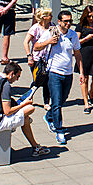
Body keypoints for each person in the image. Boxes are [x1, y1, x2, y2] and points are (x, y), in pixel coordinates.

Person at [0, 62, 49, 157]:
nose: (17, 80)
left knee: (25, 118)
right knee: (30, 109)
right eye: (17, 76)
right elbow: (7, 111)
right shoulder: (5, 85)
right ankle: (35, 147)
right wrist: (24, 104)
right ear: (11, 74)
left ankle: (35, 146)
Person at [33, 10, 83, 146]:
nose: (68, 24)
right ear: (59, 21)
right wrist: (48, 42)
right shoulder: (50, 33)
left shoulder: (73, 35)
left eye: (70, 21)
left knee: (62, 100)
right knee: (56, 102)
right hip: (54, 72)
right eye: (65, 21)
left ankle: (49, 117)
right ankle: (59, 131)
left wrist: (82, 73)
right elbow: (36, 47)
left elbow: (77, 54)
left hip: (68, 73)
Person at [24, 7, 53, 107]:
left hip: (48, 58)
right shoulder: (35, 28)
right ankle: (29, 96)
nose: (52, 17)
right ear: (44, 17)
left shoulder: (52, 27)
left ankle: (46, 102)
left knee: (47, 82)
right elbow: (26, 42)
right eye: (50, 15)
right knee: (38, 79)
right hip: (37, 59)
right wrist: (29, 56)